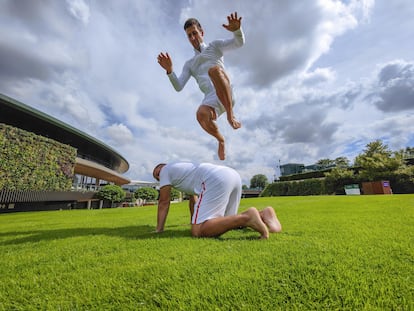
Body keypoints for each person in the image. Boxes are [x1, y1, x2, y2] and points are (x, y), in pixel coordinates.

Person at [157, 12, 244, 160]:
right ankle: (220, 140)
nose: (192, 38)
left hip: (225, 91)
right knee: (200, 114)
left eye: (194, 33)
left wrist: (237, 30)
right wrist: (169, 70)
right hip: (211, 100)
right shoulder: (189, 64)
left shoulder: (214, 46)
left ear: (201, 32)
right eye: (189, 36)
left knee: (214, 70)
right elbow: (178, 86)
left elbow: (238, 43)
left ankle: (230, 115)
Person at [152, 162, 282, 239]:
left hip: (215, 179)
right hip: (232, 175)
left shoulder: (165, 171)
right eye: (157, 177)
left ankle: (248, 217)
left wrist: (159, 229)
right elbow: (193, 198)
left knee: (197, 232)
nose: (158, 178)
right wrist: (194, 221)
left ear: (161, 168)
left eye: (156, 174)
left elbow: (164, 202)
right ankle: (264, 214)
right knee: (226, 222)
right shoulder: (181, 171)